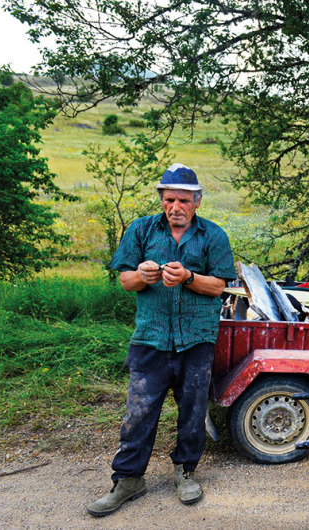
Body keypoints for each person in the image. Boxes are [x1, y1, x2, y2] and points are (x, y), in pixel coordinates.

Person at [87, 163, 236, 517]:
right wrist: (141, 274)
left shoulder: (213, 235)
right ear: (162, 199)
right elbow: (125, 280)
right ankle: (128, 480)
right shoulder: (141, 230)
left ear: (197, 201)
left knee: (193, 411)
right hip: (150, 338)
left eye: (183, 200)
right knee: (138, 414)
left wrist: (187, 277)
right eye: (169, 199)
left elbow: (219, 286)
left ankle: (185, 473)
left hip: (197, 340)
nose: (176, 207)